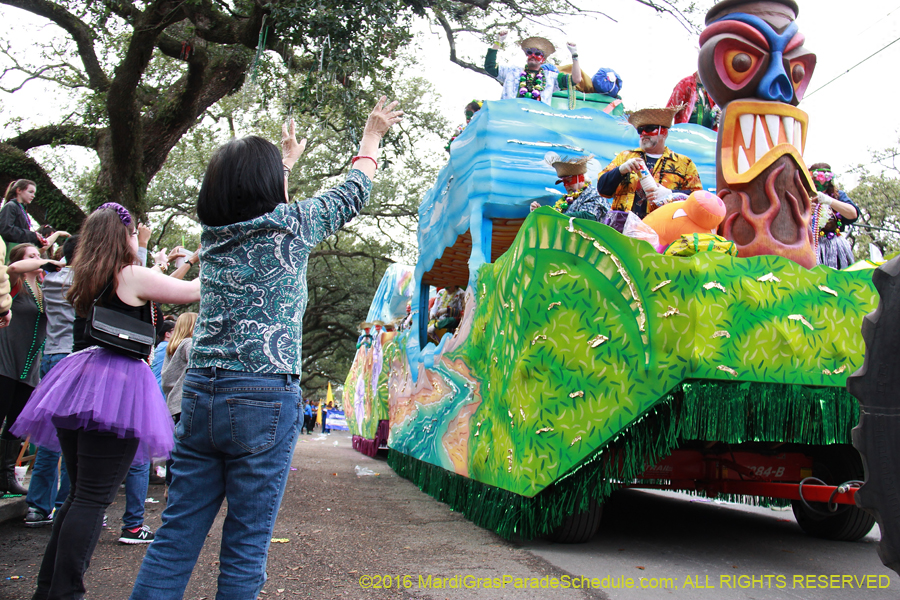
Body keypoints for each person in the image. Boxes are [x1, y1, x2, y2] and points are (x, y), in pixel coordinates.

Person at [128, 96, 402, 599]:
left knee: (176, 535)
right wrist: (371, 138)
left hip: (202, 392)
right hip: (262, 395)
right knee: (247, 541)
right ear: (269, 188)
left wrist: (284, 164)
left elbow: (257, 205)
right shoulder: (292, 227)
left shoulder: (213, 236)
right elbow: (353, 191)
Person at [12, 202, 200, 600]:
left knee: (80, 495)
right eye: (133, 234)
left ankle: (50, 589)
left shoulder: (88, 275)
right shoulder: (128, 275)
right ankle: (65, 592)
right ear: (123, 237)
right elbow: (191, 292)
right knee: (92, 499)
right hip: (116, 388)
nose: (137, 240)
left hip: (76, 382)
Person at [23, 236, 80, 526]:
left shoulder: (51, 279)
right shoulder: (82, 281)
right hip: (72, 357)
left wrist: (49, 259)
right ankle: (66, 504)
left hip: (50, 355)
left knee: (49, 436)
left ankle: (37, 507)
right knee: (75, 436)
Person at [0, 244, 58, 496]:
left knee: (14, 423)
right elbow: (12, 267)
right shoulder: (14, 282)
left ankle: (4, 477)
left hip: (29, 366)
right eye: (32, 256)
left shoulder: (45, 290)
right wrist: (42, 262)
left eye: (39, 255)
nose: (39, 259)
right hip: (5, 360)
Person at [597, 106, 703, 219]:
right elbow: (603, 190)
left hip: (661, 229)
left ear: (664, 133)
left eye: (649, 129)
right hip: (622, 230)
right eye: (640, 130)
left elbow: (698, 199)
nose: (643, 133)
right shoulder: (625, 157)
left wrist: (670, 193)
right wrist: (620, 170)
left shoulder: (684, 164)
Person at [484, 31, 581, 105]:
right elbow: (490, 66)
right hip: (510, 119)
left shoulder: (550, 77)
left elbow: (576, 79)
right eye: (530, 53)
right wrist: (498, 42)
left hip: (537, 122)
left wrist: (574, 55)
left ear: (543, 59)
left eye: (537, 53)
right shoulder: (512, 72)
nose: (533, 56)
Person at [530, 153, 610, 221]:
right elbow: (557, 217)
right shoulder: (567, 200)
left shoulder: (594, 194)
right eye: (563, 182)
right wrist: (541, 213)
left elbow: (588, 216)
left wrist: (551, 215)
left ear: (581, 178)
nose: (566, 186)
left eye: (569, 181)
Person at [809, 163, 859, 270]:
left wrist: (830, 201)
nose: (821, 182)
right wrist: (805, 209)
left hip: (834, 249)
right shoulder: (800, 195)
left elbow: (853, 214)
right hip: (807, 247)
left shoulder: (838, 196)